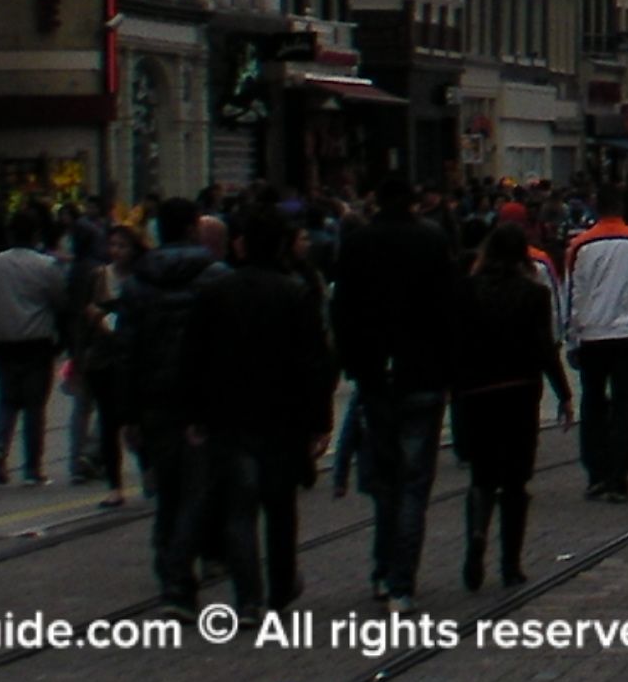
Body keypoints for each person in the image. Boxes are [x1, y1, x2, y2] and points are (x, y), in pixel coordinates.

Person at [184, 207, 336, 620]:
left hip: (228, 414)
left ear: (241, 245)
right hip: (281, 416)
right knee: (280, 507)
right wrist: (319, 420)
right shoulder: (295, 293)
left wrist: (195, 412)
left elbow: (195, 356)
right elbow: (314, 361)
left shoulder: (216, 292)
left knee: (239, 509)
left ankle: (248, 597)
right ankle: (281, 586)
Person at [331, 175, 462, 608]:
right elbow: (448, 309)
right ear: (414, 202)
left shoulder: (357, 244)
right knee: (413, 484)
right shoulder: (432, 241)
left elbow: (343, 312)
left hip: (375, 379)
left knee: (385, 480)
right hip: (423, 376)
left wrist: (355, 367)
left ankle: (383, 571)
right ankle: (401, 580)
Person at [453, 224, 570, 590]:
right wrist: (564, 393)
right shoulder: (533, 294)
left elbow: (451, 343)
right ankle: (510, 563)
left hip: (475, 393)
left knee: (482, 477)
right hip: (519, 393)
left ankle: (476, 533)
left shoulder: (465, 291)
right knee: (515, 481)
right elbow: (544, 347)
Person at [117, 200, 214, 604]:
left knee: (168, 490)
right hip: (204, 400)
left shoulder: (137, 282)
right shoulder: (215, 276)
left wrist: (127, 413)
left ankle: (171, 572)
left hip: (155, 399)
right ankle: (181, 568)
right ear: (194, 228)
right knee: (200, 488)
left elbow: (127, 351)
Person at [562, 188, 628, 503]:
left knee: (592, 404)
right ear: (622, 208)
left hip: (592, 334)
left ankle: (596, 473)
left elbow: (573, 294)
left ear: (596, 209)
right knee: (625, 406)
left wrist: (571, 338)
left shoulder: (579, 245)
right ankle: (619, 476)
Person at [0, 209, 66, 489]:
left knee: (7, 398)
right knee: (35, 405)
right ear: (36, 234)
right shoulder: (47, 266)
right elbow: (60, 301)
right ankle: (32, 467)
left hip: (1, 341)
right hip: (36, 340)